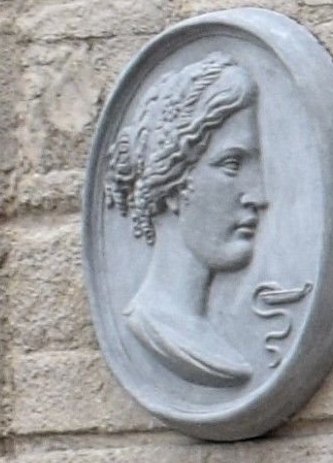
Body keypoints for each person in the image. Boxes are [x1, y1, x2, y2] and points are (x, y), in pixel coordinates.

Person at [105, 56, 297, 388]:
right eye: (232, 164)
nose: (259, 196)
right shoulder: (156, 330)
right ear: (171, 184)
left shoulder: (215, 340)